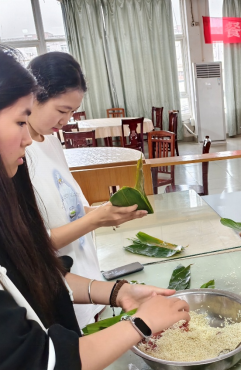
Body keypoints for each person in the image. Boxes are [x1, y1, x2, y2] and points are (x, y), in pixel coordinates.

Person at [0, 43, 190, 370]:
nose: (28, 139)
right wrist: (140, 325)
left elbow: (30, 275)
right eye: (20, 121)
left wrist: (118, 292)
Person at [25, 52, 147, 328]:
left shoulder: (50, 141)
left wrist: (105, 213)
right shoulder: (17, 156)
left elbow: (69, 210)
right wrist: (95, 219)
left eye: (72, 112)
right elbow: (31, 244)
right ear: (33, 97)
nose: (66, 121)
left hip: (89, 284)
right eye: (61, 110)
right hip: (61, 290)